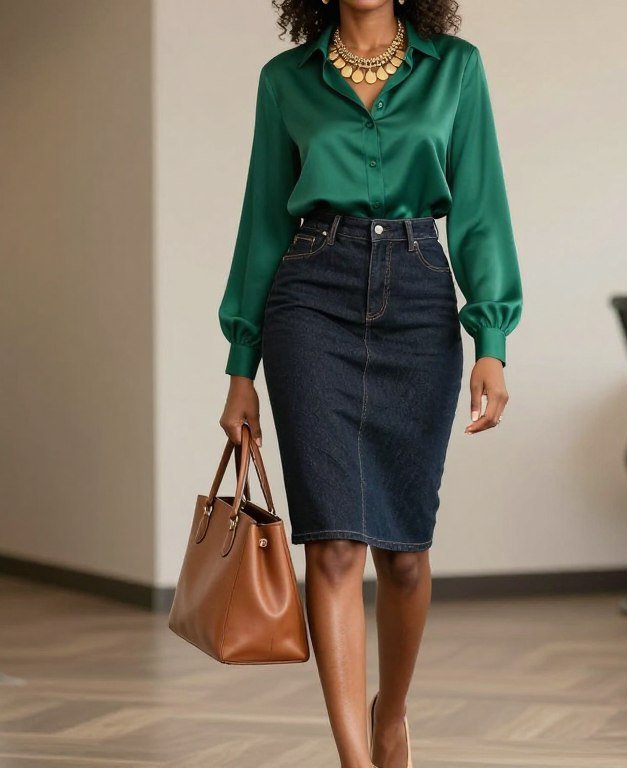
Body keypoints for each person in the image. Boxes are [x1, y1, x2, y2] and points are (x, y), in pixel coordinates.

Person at [217, 1, 522, 765]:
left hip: (419, 296)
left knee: (406, 552)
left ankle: (394, 714)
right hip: (309, 300)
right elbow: (262, 221)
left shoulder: (456, 68)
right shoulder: (285, 80)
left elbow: (480, 209)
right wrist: (240, 366)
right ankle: (357, 758)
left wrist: (491, 339)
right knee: (333, 546)